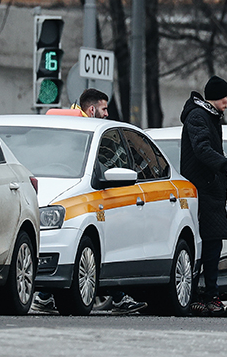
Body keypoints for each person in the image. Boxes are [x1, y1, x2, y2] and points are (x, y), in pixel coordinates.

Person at [34, 88, 146, 316]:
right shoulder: (91, 132)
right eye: (104, 109)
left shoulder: (67, 126)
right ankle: (47, 296)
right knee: (97, 249)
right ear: (92, 109)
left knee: (101, 248)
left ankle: (47, 297)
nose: (107, 114)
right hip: (85, 197)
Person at [180, 76, 227, 316]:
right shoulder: (198, 116)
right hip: (203, 191)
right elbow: (202, 149)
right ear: (215, 97)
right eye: (226, 97)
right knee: (207, 246)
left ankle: (207, 296)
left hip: (209, 190)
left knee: (212, 244)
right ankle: (206, 296)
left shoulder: (207, 116)